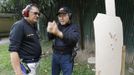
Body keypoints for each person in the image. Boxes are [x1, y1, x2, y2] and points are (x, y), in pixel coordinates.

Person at [8, 4, 41, 75]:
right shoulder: (19, 26)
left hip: (35, 63)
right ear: (26, 13)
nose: (37, 15)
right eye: (35, 13)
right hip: (28, 65)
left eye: (38, 14)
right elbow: (13, 51)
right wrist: (18, 72)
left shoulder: (32, 26)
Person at [47, 6, 80, 75]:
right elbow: (50, 37)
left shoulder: (74, 27)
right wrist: (49, 30)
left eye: (64, 15)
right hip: (55, 55)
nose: (61, 18)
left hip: (67, 57)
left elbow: (73, 40)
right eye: (59, 16)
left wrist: (58, 33)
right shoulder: (57, 26)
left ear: (69, 16)